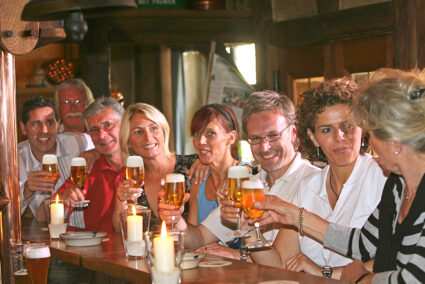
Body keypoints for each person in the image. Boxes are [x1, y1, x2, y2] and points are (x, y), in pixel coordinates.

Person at [255, 68, 425, 283]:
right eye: (327, 130)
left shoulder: (388, 180)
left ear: (396, 142)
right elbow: (363, 243)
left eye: (370, 133)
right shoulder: (397, 186)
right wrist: (293, 214)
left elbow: (413, 279)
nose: (370, 143)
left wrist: (360, 278)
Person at [159, 91, 319, 258]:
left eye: (273, 135)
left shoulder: (314, 183)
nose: (264, 147)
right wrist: (175, 219)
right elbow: (200, 238)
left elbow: (285, 266)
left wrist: (240, 256)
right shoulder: (248, 183)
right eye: (256, 138)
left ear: (293, 132)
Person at [112, 103, 208, 232]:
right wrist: (120, 201)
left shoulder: (194, 165)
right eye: (138, 131)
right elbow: (120, 231)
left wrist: (208, 163)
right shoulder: (132, 181)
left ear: (164, 131)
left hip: (194, 250)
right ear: (128, 142)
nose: (148, 137)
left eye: (153, 128)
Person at [18, 96, 94, 221]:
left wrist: (96, 152)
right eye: (36, 124)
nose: (44, 130)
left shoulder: (81, 142)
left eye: (49, 123)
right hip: (45, 237)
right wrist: (26, 190)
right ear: (23, 128)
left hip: (86, 234)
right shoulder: (15, 159)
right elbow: (7, 213)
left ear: (58, 125)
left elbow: (112, 149)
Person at [58, 97, 124, 233]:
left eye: (107, 125)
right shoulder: (88, 167)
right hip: (97, 251)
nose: (101, 135)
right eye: (94, 129)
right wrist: (65, 198)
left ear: (124, 124)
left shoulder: (141, 165)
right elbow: (52, 207)